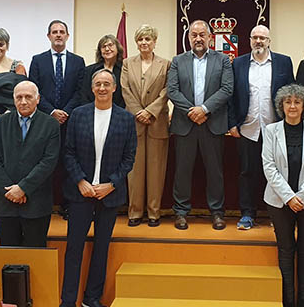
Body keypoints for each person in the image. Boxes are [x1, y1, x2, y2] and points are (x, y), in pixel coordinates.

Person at [61, 69, 136, 307]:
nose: (102, 88)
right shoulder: (78, 115)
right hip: (80, 192)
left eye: (106, 84)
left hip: (109, 195)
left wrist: (112, 183)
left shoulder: (126, 118)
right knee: (74, 249)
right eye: (98, 84)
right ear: (92, 88)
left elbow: (129, 158)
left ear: (114, 88)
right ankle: (68, 300)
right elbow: (69, 152)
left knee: (101, 248)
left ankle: (91, 299)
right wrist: (81, 181)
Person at [167, 19, 234, 230]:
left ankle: (217, 212)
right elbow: (172, 90)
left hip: (212, 123)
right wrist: (192, 111)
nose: (198, 38)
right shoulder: (178, 61)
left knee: (215, 171)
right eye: (194, 35)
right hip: (185, 124)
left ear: (210, 38)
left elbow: (226, 89)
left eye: (202, 34)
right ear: (188, 38)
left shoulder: (223, 60)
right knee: (182, 170)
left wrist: (203, 109)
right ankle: (180, 212)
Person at [262, 84, 304, 307]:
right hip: (279, 202)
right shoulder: (271, 131)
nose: (292, 106)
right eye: (288, 102)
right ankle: (288, 302)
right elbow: (269, 167)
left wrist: (302, 196)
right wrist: (289, 197)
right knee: (286, 251)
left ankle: (303, 302)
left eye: (297, 102)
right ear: (281, 105)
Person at [228, 25, 294, 230]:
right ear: (249, 40)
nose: (258, 41)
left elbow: (291, 93)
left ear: (269, 41)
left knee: (276, 173)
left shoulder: (284, 62)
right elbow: (231, 96)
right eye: (255, 37)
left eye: (262, 38)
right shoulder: (238, 63)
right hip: (247, 128)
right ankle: (247, 214)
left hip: (275, 129)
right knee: (248, 173)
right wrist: (232, 124)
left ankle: (276, 215)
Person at [0, 81, 60, 247]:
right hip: (7, 202)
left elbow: (49, 161)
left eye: (28, 97)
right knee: (9, 259)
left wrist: (23, 188)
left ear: (38, 99)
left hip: (37, 203)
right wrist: (10, 190)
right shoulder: (0, 123)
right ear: (13, 100)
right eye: (19, 97)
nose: (23, 101)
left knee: (35, 257)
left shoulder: (50, 124)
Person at [29, 19, 86, 219]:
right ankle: (44, 204)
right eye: (55, 32)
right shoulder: (38, 60)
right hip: (45, 120)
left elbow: (80, 92)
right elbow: (33, 90)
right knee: (44, 161)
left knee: (69, 163)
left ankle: (67, 204)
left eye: (62, 32)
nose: (59, 35)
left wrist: (65, 112)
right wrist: (52, 111)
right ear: (49, 36)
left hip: (70, 122)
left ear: (68, 36)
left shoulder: (78, 61)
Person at [120, 24, 170, 227]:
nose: (144, 43)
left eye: (148, 39)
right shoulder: (127, 63)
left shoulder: (165, 64)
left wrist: (150, 111)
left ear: (154, 41)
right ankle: (135, 212)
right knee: (135, 170)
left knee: (156, 170)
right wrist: (138, 112)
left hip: (157, 122)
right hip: (134, 123)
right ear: (136, 42)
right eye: (140, 39)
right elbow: (124, 89)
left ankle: (153, 213)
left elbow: (168, 90)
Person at [83, 34, 125, 108]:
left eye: (110, 45)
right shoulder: (89, 70)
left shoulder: (125, 70)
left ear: (118, 48)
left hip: (119, 113)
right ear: (100, 51)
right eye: (103, 46)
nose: (107, 49)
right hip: (93, 111)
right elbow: (84, 95)